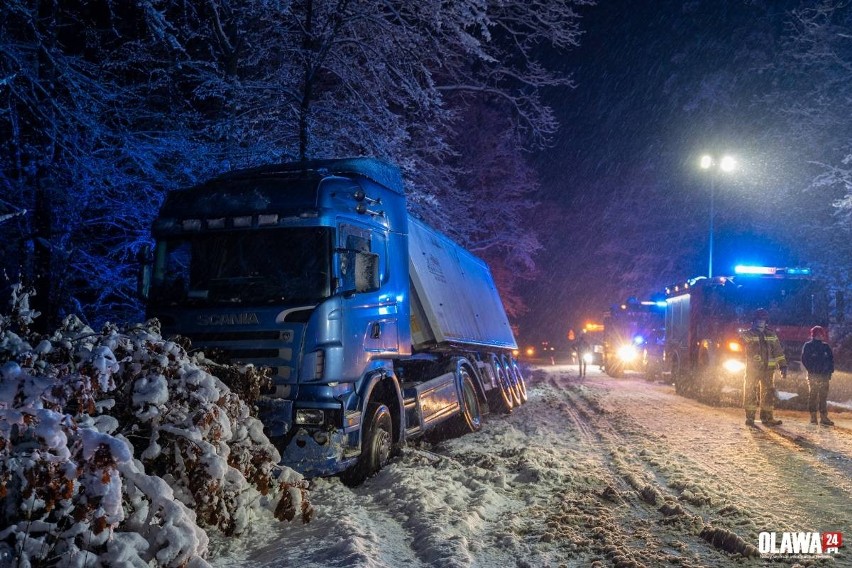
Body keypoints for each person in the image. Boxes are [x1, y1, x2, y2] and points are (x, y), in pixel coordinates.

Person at [740, 308, 788, 427]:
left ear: (766, 321)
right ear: (754, 321)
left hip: (768, 370)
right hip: (753, 369)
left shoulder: (771, 335)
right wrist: (742, 339)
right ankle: (750, 418)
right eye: (758, 319)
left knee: (768, 393)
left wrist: (783, 365)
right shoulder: (748, 334)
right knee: (751, 391)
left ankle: (767, 418)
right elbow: (740, 344)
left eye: (763, 320)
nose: (761, 322)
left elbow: (778, 351)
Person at [801, 326, 835, 426]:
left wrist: (830, 371)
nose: (820, 336)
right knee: (813, 395)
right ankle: (813, 417)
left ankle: (824, 417)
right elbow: (805, 360)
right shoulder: (808, 346)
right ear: (814, 334)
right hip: (813, 375)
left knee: (823, 396)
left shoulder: (826, 347)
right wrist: (811, 370)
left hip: (824, 375)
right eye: (818, 334)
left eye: (821, 334)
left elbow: (831, 360)